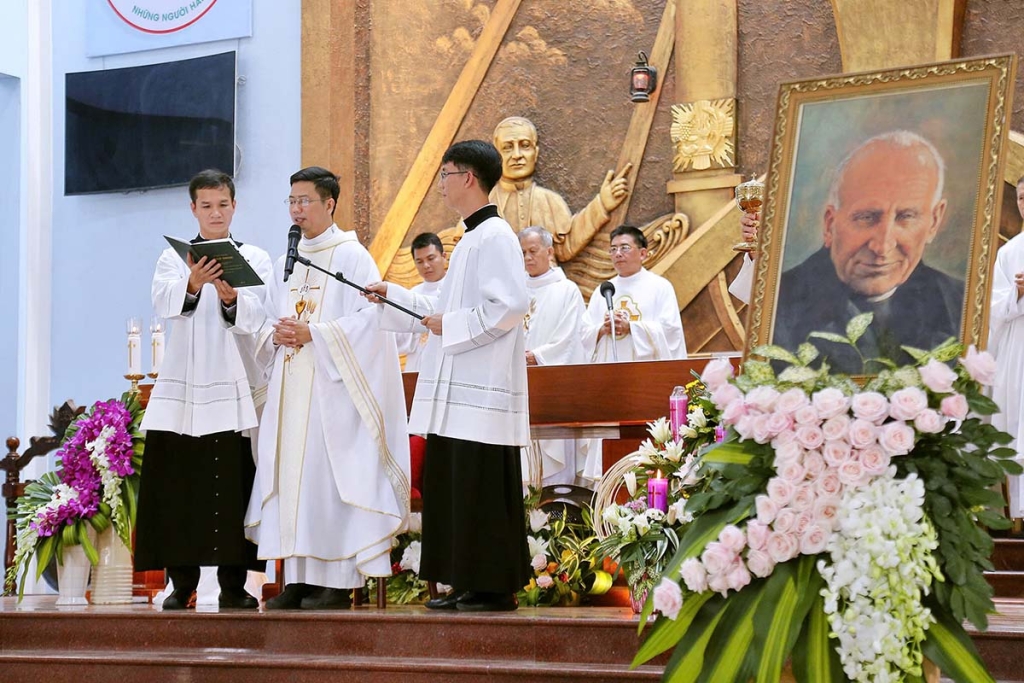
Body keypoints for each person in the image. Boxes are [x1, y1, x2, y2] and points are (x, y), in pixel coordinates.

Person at [367, 140, 531, 613]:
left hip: (479, 395)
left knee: (477, 488)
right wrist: (394, 295)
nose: (441, 183)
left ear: (470, 178)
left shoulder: (495, 235)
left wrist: (451, 325)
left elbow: (510, 307)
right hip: (457, 396)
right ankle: (467, 581)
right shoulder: (470, 238)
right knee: (457, 487)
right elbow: (444, 310)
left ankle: (491, 588)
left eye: (447, 173)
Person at [245, 166, 411, 610]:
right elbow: (271, 316)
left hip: (333, 394)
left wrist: (314, 334)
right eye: (292, 202)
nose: (297, 210)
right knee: (293, 481)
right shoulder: (292, 259)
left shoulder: (352, 256)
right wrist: (276, 334)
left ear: (330, 203)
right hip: (291, 386)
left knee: (326, 481)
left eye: (305, 201)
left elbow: (371, 320)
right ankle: (297, 579)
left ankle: (336, 583)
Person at [135, 169, 273, 611]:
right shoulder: (174, 259)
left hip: (234, 385)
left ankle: (235, 586)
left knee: (235, 486)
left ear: (235, 206)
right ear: (193, 209)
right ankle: (181, 584)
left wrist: (232, 297)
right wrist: (193, 284)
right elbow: (163, 303)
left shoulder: (255, 257)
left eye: (224, 204)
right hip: (183, 388)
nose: (216, 213)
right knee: (180, 486)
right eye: (207, 206)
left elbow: (261, 315)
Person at [773, 130, 964, 373]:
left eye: (906, 217)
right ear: (830, 224)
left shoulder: (960, 304)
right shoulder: (781, 303)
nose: (882, 247)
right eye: (866, 217)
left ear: (934, 222)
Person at [519, 226, 600, 487]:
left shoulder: (566, 290)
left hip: (553, 386)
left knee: (554, 459)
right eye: (522, 253)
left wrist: (537, 356)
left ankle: (555, 520)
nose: (528, 258)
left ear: (549, 251)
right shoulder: (515, 291)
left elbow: (570, 339)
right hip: (519, 385)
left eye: (533, 251)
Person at [489, 116, 632, 263]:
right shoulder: (482, 205)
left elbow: (565, 248)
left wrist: (602, 204)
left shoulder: (551, 201)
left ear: (536, 153)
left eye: (525, 145)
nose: (517, 155)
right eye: (507, 147)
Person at [582, 225, 687, 362]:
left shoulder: (660, 287)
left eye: (624, 248)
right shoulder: (604, 290)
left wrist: (631, 327)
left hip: (646, 372)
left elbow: (671, 332)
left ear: (642, 253)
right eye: (613, 249)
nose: (618, 254)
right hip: (608, 373)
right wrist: (602, 329)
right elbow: (584, 332)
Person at [989, 175, 1024, 520]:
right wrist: (1018, 294)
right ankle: (1017, 518)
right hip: (1019, 350)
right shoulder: (1010, 252)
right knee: (1017, 427)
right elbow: (995, 308)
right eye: (1022, 197)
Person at [396, 232, 447, 373]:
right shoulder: (411, 295)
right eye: (419, 261)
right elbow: (400, 341)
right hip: (417, 367)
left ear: (444, 257)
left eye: (431, 258)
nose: (426, 265)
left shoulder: (455, 289)